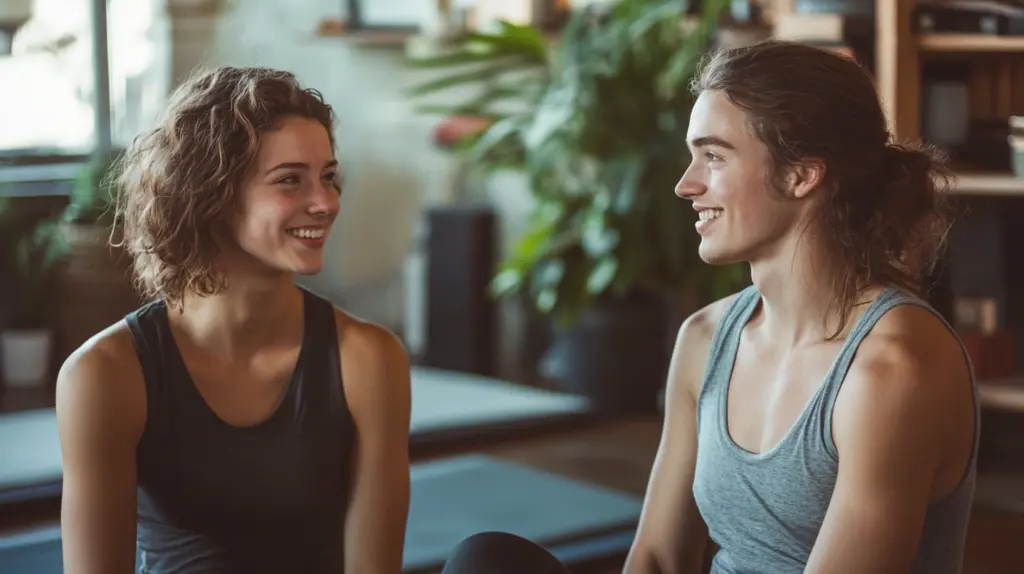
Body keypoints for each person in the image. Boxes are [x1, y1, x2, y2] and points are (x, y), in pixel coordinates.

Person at [441, 40, 978, 574]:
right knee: (487, 560)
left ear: (800, 175)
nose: (686, 184)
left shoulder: (894, 367)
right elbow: (656, 556)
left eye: (714, 156)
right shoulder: (705, 338)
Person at [55, 66, 412, 574]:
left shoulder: (369, 360)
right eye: (291, 180)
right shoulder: (104, 374)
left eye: (328, 177)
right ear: (211, 194)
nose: (326, 202)